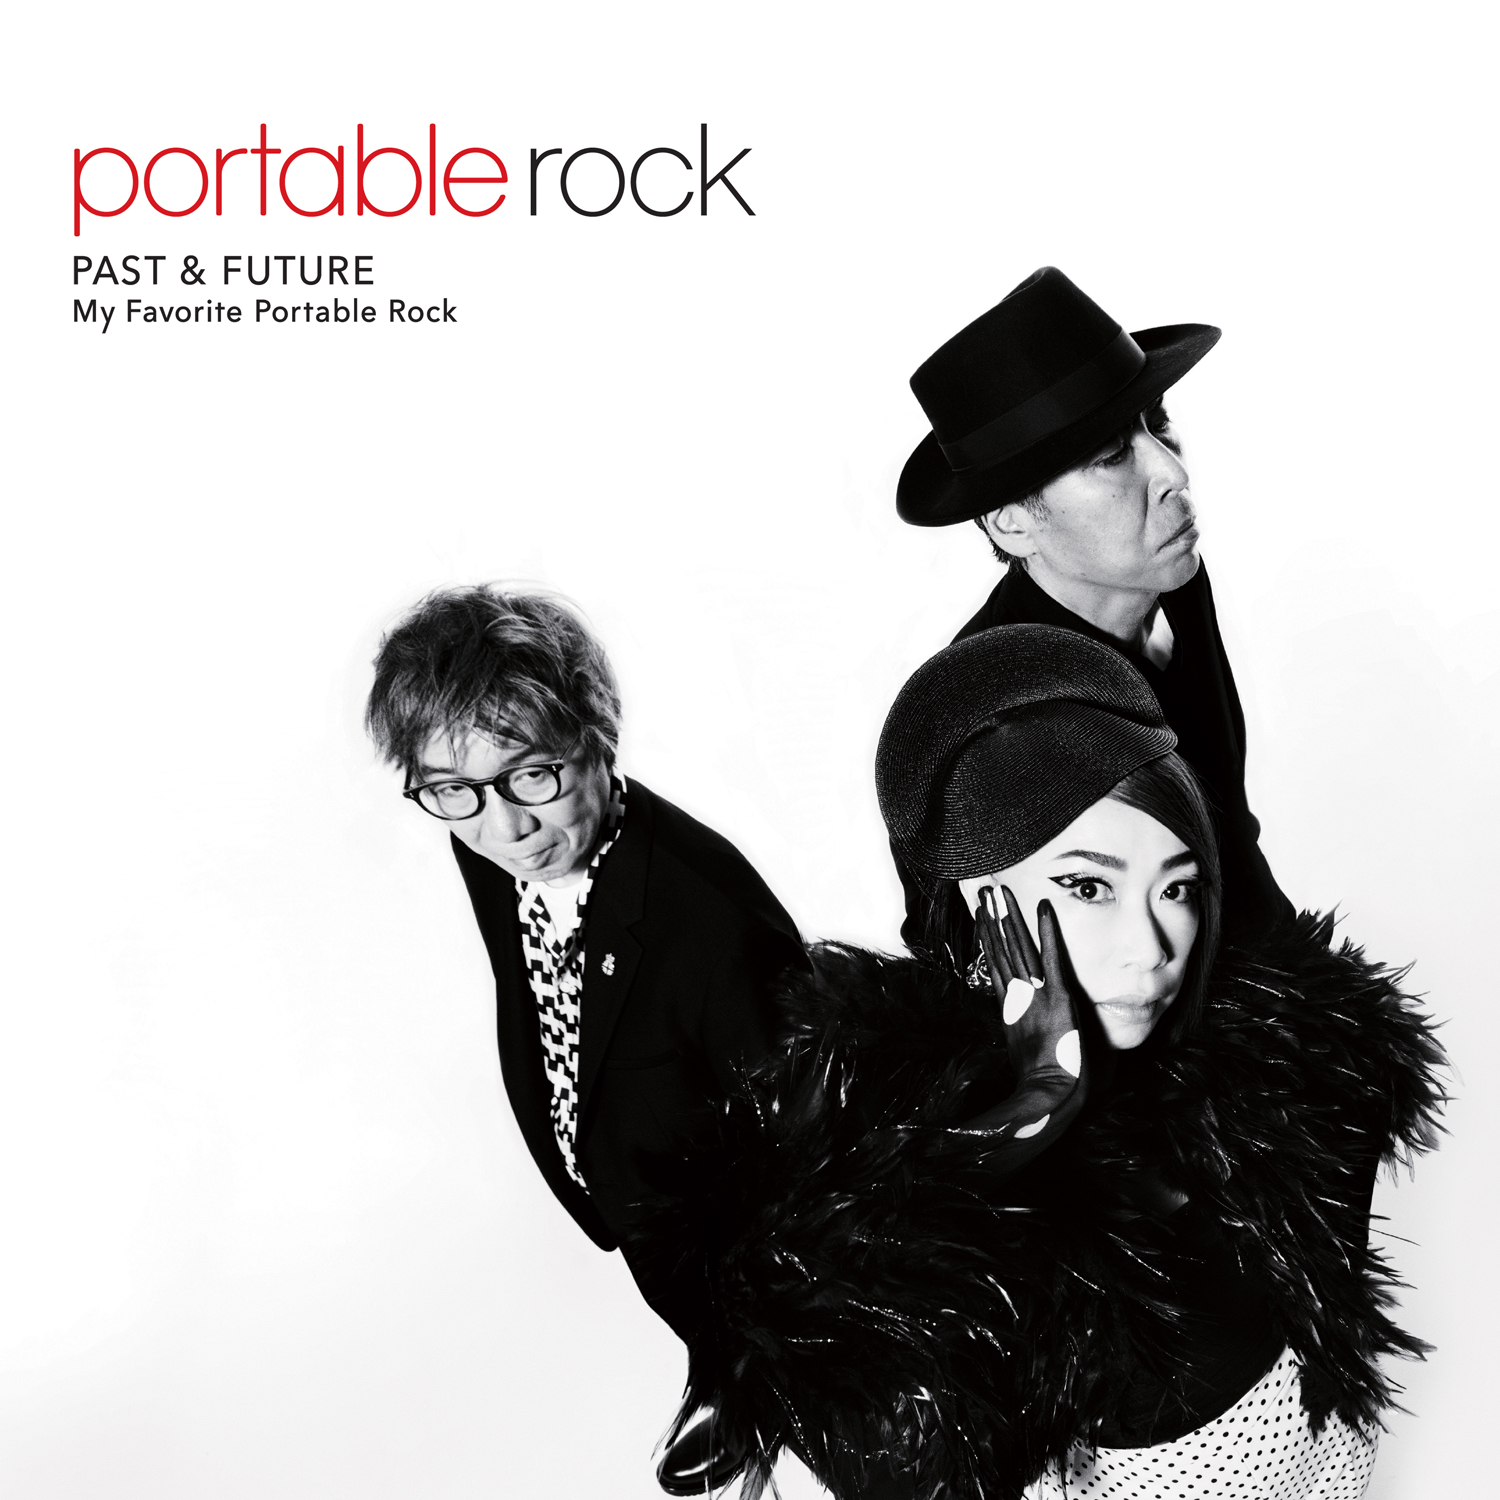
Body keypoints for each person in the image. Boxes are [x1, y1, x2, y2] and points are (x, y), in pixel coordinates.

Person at [641, 625, 1444, 1500]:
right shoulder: (870, 1153)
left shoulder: (1279, 1069)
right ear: (983, 900)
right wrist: (1010, 1127)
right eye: (1089, 886)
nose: (1151, 945)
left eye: (1177, 887)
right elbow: (900, 1458)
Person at [364, 585, 808, 1494]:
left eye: (534, 776)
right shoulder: (491, 834)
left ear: (596, 737)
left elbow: (809, 1172)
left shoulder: (714, 925)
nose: (507, 828)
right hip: (658, 1231)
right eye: (453, 792)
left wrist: (773, 1355)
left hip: (780, 1293)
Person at [895, 266, 1291, 948]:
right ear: (1012, 521)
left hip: (1266, 966)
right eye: (1111, 455)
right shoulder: (991, 717)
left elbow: (1228, 837)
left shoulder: (1171, 576)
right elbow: (972, 960)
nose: (1172, 473)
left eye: (1157, 425)